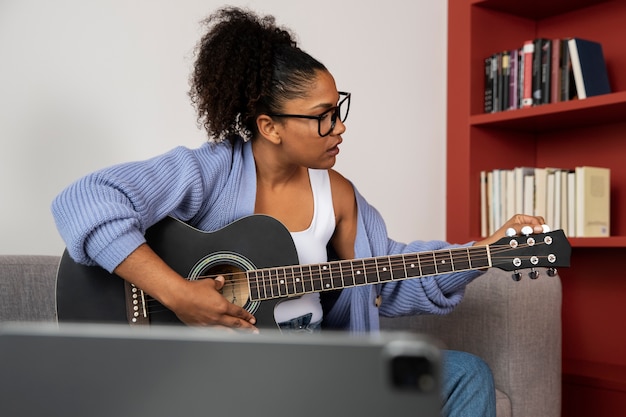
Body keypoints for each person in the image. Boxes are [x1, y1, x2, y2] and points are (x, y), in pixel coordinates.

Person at [51, 7, 546, 417]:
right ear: (269, 126)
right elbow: (83, 200)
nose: (339, 128)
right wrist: (179, 295)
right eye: (321, 117)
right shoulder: (211, 173)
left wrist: (484, 253)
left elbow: (388, 277)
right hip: (222, 375)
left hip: (318, 370)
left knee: (466, 375)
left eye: (339, 109)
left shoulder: (340, 195)